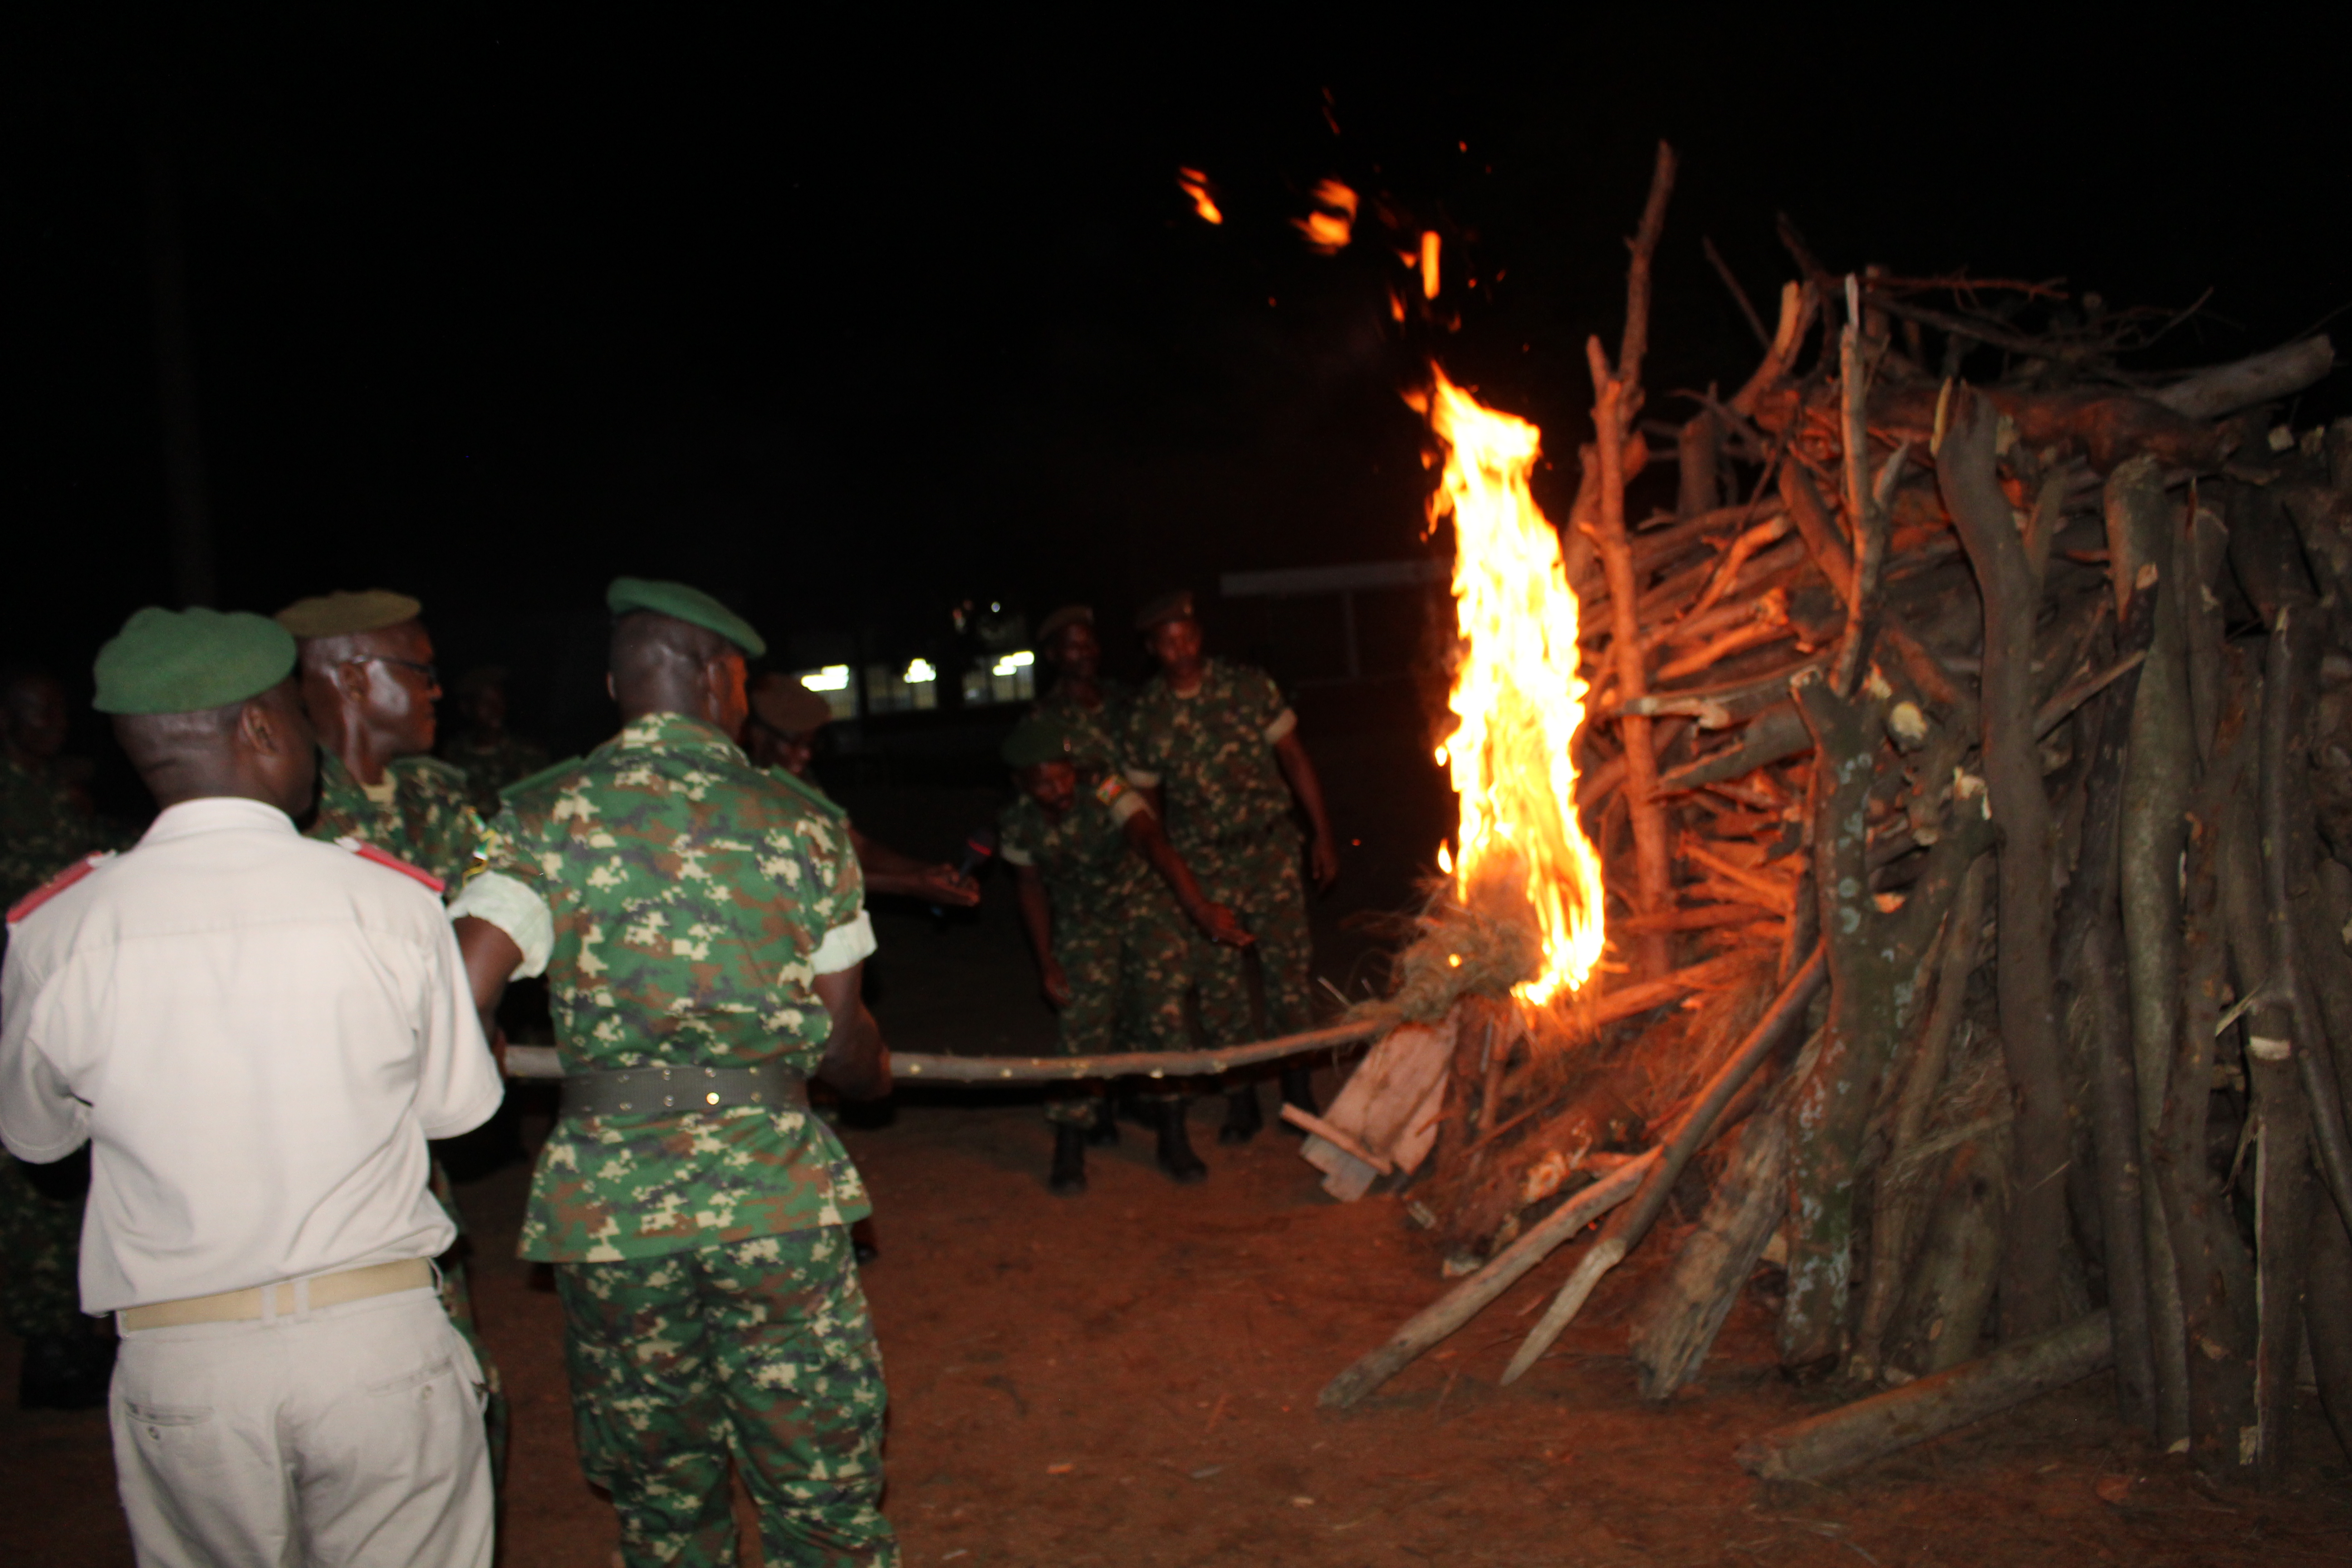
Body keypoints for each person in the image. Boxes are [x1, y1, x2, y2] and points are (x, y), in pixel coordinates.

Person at [0, 606, 501, 1568]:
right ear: (262, 729)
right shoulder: (388, 901)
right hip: (375, 1349)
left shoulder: (57, 931)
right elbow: (459, 1110)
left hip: (183, 1365)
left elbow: (37, 1139)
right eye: (297, 719)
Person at [448, 578, 895, 1567]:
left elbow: (461, 986)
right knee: (822, 1498)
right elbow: (841, 1041)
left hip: (611, 1216)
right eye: (743, 678)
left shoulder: (541, 814)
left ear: (620, 683)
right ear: (716, 675)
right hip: (772, 1199)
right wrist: (873, 1078)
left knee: (663, 1508)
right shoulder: (803, 824)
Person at [274, 587, 509, 1478]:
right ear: (354, 677)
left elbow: (506, 915)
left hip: (418, 1160)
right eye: (421, 671)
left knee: (464, 1406)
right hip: (316, 1169)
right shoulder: (286, 813)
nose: (438, 692)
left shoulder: (440, 802)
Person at [1122, 590, 1341, 1143]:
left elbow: (1294, 757)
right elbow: (1148, 815)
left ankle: (1298, 1090)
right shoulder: (1147, 715)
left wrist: (1322, 835)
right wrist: (1174, 886)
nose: (1183, 650)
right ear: (1153, 649)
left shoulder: (1247, 687)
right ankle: (1240, 1098)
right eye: (1168, 643)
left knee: (1287, 977)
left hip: (1270, 853)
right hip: (1205, 863)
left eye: (1189, 637)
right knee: (1221, 989)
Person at [1000, 715, 1250, 1191]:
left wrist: (1197, 907)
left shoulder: (1106, 787)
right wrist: (1047, 960)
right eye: (1045, 783)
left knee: (1164, 1015)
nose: (1059, 788)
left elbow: (1150, 839)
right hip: (1083, 920)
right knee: (1082, 1025)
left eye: (1064, 774)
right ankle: (1070, 1145)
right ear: (1021, 784)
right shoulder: (1015, 822)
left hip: (1142, 907)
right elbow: (1029, 887)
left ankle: (1173, 1136)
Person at [0, 667, 133, 1408]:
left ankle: (78, 1330)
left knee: (70, 1178)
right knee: (26, 1194)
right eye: (35, 708)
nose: (54, 721)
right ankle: (46, 1345)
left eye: (57, 709)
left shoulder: (54, 790)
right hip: (15, 1005)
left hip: (66, 1002)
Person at [745, 672, 980, 908]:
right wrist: (907, 884)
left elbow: (856, 846)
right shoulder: (738, 794)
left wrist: (928, 872)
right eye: (794, 743)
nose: (806, 755)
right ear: (757, 735)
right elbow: (792, 879)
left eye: (812, 743)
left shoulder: (798, 783)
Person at [1030, 604, 1130, 776]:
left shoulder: (1125, 697)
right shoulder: (1044, 717)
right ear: (1052, 654)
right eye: (1074, 646)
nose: (1085, 652)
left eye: (1090, 643)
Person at [439, 665, 552, 815]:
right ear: (466, 708)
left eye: (499, 701)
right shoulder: (451, 758)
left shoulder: (530, 755)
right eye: (485, 703)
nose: (496, 710)